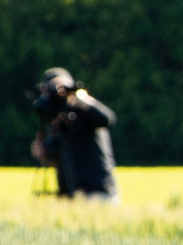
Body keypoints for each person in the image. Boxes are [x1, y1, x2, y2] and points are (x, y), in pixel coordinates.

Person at [28, 69, 120, 200]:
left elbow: (107, 119)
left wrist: (81, 98)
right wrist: (41, 150)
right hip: (68, 194)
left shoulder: (84, 110)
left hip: (97, 190)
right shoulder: (55, 120)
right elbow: (56, 155)